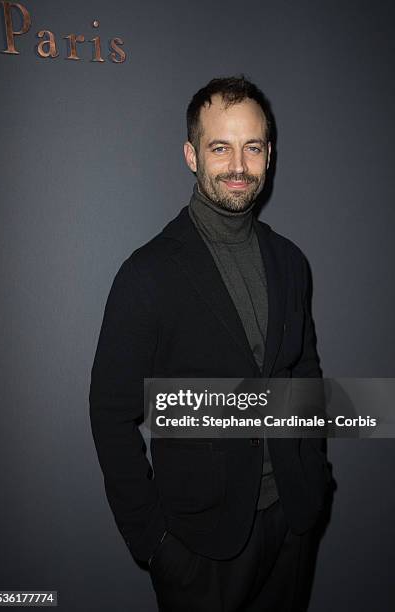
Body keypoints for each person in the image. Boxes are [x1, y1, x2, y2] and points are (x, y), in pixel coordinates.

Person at [89, 75, 332, 611]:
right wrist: (155, 543)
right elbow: (110, 415)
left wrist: (313, 474)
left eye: (252, 147)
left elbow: (305, 374)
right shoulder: (147, 273)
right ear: (192, 155)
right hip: (200, 549)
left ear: (269, 154)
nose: (239, 166)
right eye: (220, 147)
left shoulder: (291, 262)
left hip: (291, 523)